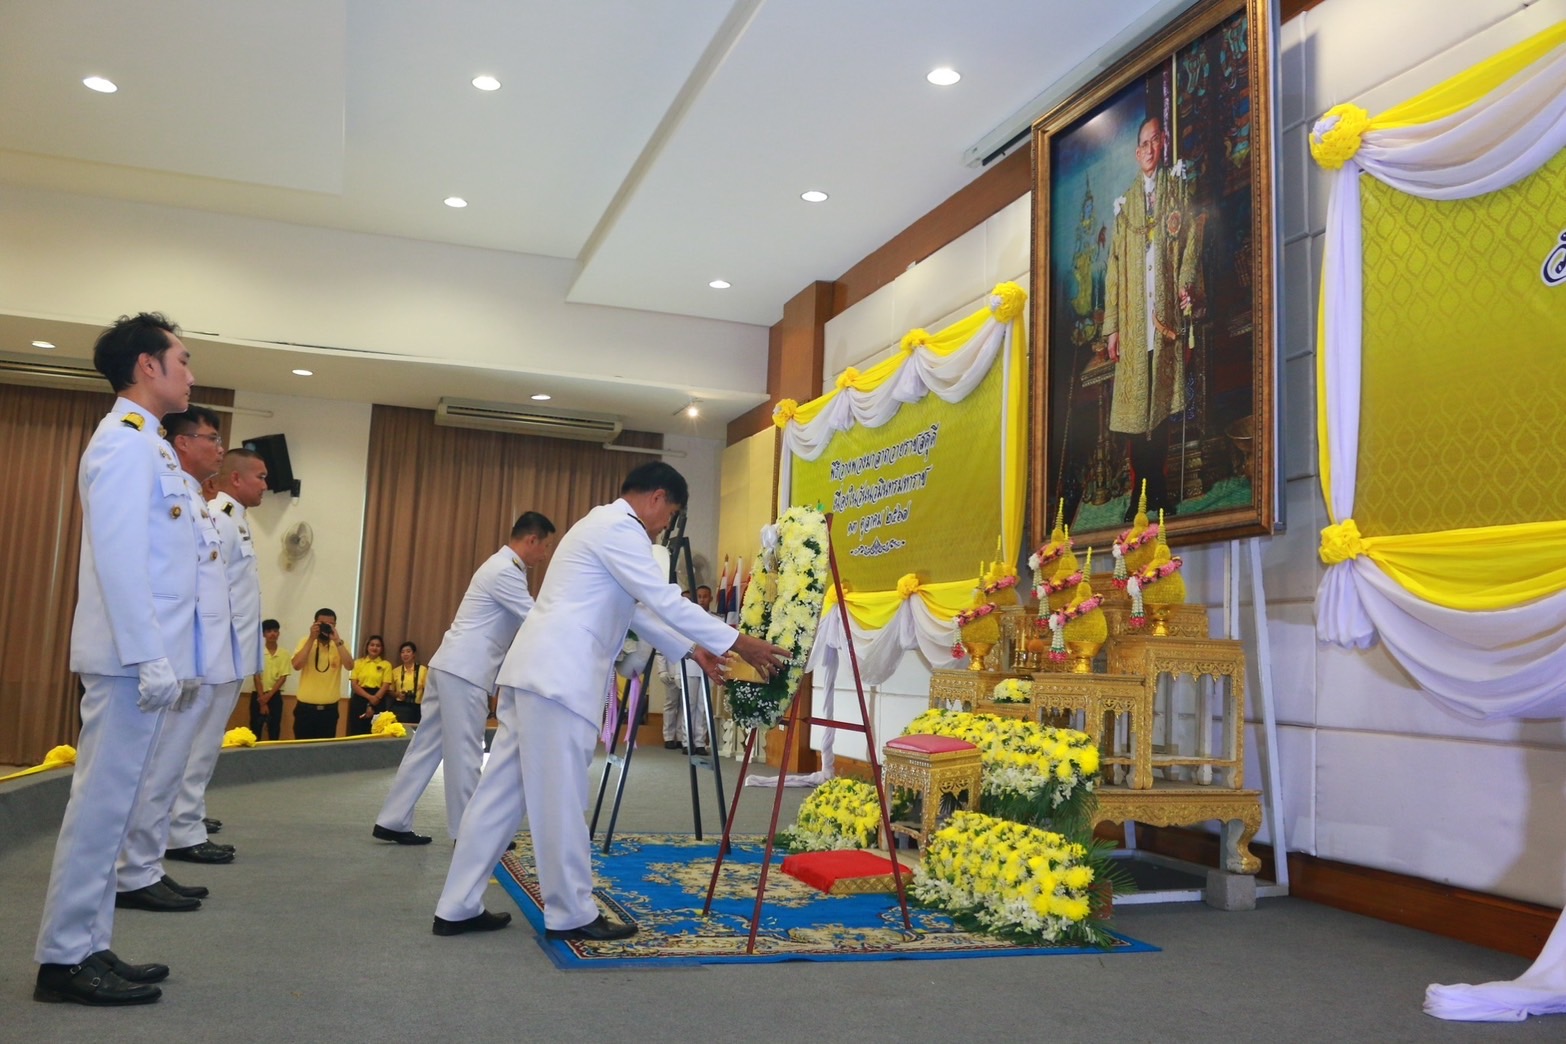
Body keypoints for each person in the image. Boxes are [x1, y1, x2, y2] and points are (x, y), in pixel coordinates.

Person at [432, 462, 786, 942]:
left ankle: (457, 905)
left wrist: (692, 648)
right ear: (657, 497)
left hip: (534, 674)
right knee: (560, 798)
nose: (664, 527)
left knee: (498, 797)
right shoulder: (621, 529)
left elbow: (635, 609)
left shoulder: (598, 524)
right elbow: (661, 599)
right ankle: (571, 913)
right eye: (670, 515)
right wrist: (737, 641)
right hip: (558, 680)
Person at [33, 312, 199, 1006]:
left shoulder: (149, 445)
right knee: (99, 811)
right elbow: (121, 560)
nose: (190, 373)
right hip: (128, 661)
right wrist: (148, 655)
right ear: (147, 366)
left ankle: (89, 943)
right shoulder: (123, 444)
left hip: (142, 660)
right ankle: (63, 960)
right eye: (182, 360)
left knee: (116, 808)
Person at [112, 408, 238, 913]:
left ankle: (145, 866)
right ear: (183, 443)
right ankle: (132, 871)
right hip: (172, 655)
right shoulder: (172, 493)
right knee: (153, 769)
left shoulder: (195, 500)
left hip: (196, 657)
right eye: (211, 438)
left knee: (167, 770)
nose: (219, 448)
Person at [373, 512, 556, 845]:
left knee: (427, 747)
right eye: (545, 546)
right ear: (532, 540)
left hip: (450, 665)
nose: (545, 555)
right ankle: (471, 834)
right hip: (465, 671)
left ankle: (392, 820)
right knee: (466, 752)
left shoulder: (501, 566)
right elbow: (534, 620)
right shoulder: (506, 571)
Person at [161, 442, 268, 865]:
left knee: (204, 743)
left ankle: (189, 815)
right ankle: (181, 829)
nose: (266, 485)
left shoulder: (234, 518)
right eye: (260, 477)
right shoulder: (220, 518)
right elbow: (206, 588)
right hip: (217, 652)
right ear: (236, 479)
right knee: (199, 743)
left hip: (232, 651)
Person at [1103, 114, 1205, 519]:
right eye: (1143, 144)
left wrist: (1184, 284)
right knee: (1135, 414)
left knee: (1159, 407)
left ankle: (1158, 490)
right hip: (1133, 325)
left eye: (1155, 141)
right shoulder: (1125, 205)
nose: (1149, 149)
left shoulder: (1176, 190)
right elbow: (1113, 270)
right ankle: (1139, 495)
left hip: (1163, 321)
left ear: (1163, 144)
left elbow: (1191, 241)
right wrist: (1113, 327)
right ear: (1136, 153)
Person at [291, 609, 353, 739]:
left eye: (330, 624)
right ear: (315, 623)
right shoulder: (305, 641)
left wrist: (337, 640)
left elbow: (350, 666)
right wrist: (311, 638)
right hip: (305, 710)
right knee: (302, 747)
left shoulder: (340, 644)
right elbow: (296, 665)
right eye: (322, 623)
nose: (326, 627)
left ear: (335, 626)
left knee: (325, 749)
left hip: (329, 711)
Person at [657, 648, 709, 754]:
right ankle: (686, 741)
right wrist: (677, 672)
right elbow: (679, 649)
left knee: (703, 707)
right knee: (687, 706)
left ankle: (700, 742)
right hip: (687, 667)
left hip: (706, 667)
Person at [347, 635, 393, 736]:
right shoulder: (358, 663)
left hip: (378, 699)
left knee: (375, 732)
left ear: (382, 648)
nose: (374, 648)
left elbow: (386, 685)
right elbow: (354, 684)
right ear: (367, 646)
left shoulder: (386, 664)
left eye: (378, 646)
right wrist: (369, 698)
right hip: (360, 698)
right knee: (357, 731)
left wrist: (374, 700)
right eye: (372, 645)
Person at [251, 619, 289, 740]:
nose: (272, 634)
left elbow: (283, 677)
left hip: (275, 696)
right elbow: (256, 677)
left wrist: (268, 696)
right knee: (255, 730)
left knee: (274, 730)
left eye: (275, 631)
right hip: (258, 695)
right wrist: (262, 700)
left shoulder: (284, 654)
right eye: (268, 631)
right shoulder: (257, 653)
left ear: (279, 633)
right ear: (263, 634)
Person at [385, 641, 427, 724]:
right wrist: (397, 694)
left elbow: (428, 690)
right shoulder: (395, 671)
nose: (405, 654)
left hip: (417, 706)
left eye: (408, 651)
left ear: (414, 654)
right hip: (399, 706)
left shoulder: (422, 670)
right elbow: (389, 690)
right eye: (402, 652)